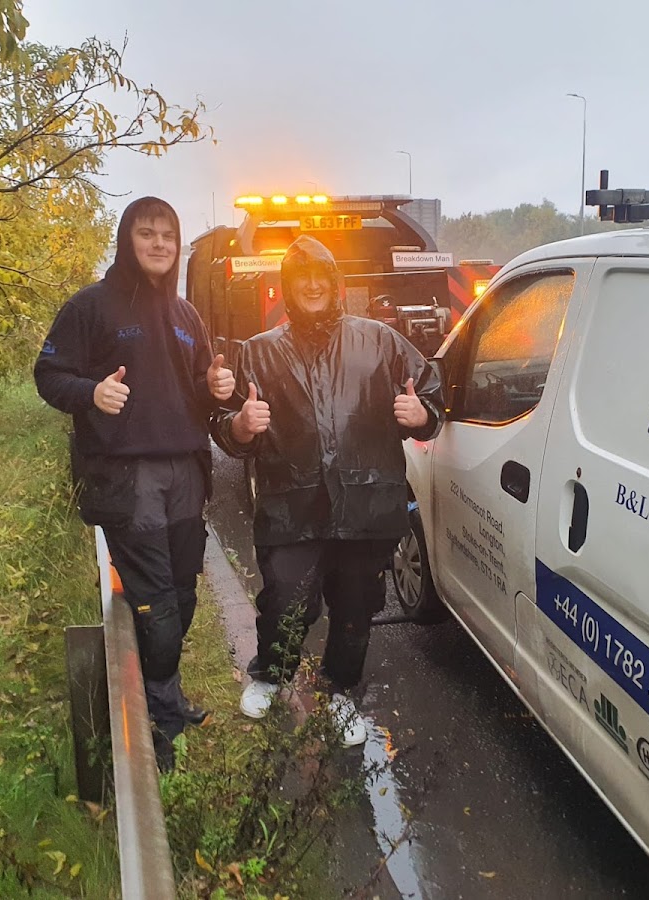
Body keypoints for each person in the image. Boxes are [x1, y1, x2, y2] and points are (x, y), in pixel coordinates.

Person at [210, 235, 443, 746]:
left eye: (321, 276)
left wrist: (421, 414)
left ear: (335, 284)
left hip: (364, 505)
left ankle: (340, 690)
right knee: (287, 599)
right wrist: (243, 425)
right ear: (288, 288)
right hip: (291, 505)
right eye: (301, 278)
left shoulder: (379, 341)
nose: (312, 286)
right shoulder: (259, 352)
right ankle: (269, 674)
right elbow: (226, 424)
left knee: (357, 603)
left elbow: (429, 392)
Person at [34, 196, 235, 770]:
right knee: (156, 603)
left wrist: (216, 387)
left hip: (185, 475)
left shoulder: (185, 313)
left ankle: (164, 692)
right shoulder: (91, 307)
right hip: (128, 477)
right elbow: (48, 374)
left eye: (168, 235)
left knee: (184, 594)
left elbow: (199, 386)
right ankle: (157, 724)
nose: (158, 244)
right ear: (128, 240)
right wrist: (91, 393)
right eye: (146, 234)